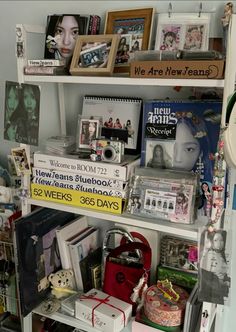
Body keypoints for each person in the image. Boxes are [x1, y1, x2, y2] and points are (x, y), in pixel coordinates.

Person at [199, 229, 230, 304]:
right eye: (216, 240)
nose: (219, 243)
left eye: (221, 240)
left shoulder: (222, 255)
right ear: (212, 242)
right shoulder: (209, 256)